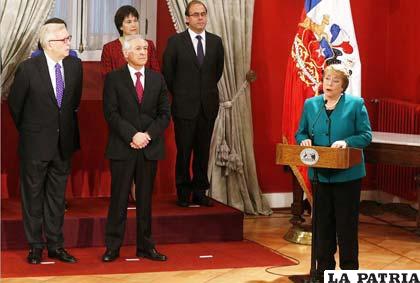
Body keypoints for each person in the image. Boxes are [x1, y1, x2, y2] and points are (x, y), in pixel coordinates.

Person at [8, 20, 83, 264]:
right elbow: (15, 105)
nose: (69, 43)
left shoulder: (74, 65)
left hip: (63, 145)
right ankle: (35, 246)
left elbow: (72, 104)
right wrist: (32, 131)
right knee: (32, 196)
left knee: (56, 198)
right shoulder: (28, 68)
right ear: (49, 43)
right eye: (65, 39)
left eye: (68, 38)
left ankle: (55, 245)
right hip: (35, 144)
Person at [295, 64, 372, 278]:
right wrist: (304, 140)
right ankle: (323, 271)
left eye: (335, 80)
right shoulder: (311, 105)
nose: (329, 83)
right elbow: (300, 133)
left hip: (347, 176)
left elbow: (366, 136)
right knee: (322, 226)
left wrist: (346, 142)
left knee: (346, 227)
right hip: (320, 176)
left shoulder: (355, 105)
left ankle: (348, 273)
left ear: (343, 86)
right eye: (327, 78)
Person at [102, 35, 170, 262]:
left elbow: (164, 114)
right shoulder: (113, 79)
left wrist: (147, 136)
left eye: (145, 48)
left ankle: (146, 246)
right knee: (119, 198)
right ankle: (113, 247)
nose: (143, 52)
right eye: (138, 49)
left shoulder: (157, 79)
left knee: (145, 200)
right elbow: (111, 113)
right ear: (125, 54)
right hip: (123, 147)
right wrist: (133, 135)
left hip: (149, 147)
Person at [163, 0, 224, 207]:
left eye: (203, 14)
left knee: (203, 151)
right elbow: (168, 75)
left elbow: (216, 72)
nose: (200, 18)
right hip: (184, 107)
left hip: (207, 106)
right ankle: (183, 192)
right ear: (187, 18)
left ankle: (199, 191)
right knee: (184, 151)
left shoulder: (216, 42)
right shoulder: (175, 42)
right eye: (196, 14)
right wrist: (183, 94)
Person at [101, 5, 160, 202]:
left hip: (146, 111)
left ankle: (139, 194)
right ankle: (124, 192)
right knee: (123, 156)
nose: (133, 24)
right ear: (120, 26)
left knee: (145, 158)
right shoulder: (110, 48)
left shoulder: (148, 45)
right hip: (121, 111)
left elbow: (155, 74)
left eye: (135, 20)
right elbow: (106, 77)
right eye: (128, 21)